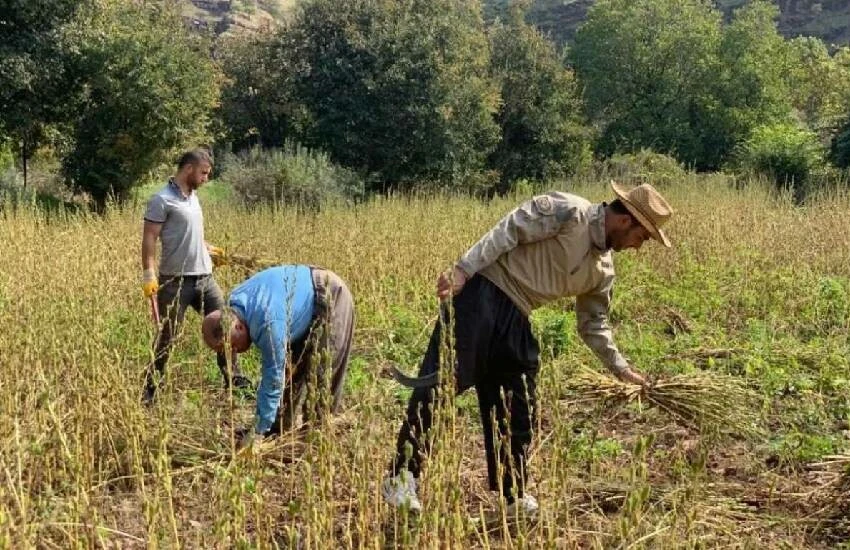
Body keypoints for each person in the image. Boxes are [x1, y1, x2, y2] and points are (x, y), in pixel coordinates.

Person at [382, 181, 674, 515]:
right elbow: (511, 228)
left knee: (517, 404)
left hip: (518, 316)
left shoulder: (603, 270)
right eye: (642, 236)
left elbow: (593, 322)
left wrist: (620, 367)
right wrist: (463, 269)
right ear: (626, 221)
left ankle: (513, 494)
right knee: (442, 386)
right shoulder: (570, 212)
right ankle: (401, 477)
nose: (639, 246)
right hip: (484, 292)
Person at [141, 148, 251, 404]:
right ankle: (151, 387)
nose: (205, 178)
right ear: (188, 169)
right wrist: (148, 273)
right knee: (169, 335)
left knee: (226, 326)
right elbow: (149, 238)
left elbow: (192, 236)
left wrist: (211, 251)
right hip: (175, 281)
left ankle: (233, 378)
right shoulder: (161, 199)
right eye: (203, 173)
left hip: (204, 278)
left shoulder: (193, 198)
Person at [201, 264, 355, 446]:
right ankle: (277, 428)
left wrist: (256, 433)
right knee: (292, 371)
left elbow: (274, 377)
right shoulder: (235, 302)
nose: (234, 352)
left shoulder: (268, 323)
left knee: (321, 378)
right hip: (298, 304)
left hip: (330, 295)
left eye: (233, 346)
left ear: (239, 327)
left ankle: (314, 441)